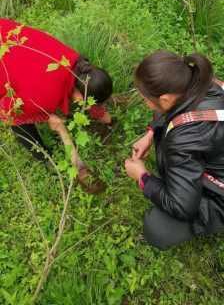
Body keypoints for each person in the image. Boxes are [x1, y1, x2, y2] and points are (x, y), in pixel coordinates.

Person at [125, 50, 224, 250]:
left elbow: (182, 206)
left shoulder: (185, 139)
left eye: (146, 98)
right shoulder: (203, 81)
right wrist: (151, 133)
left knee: (158, 228)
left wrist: (143, 178)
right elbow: (176, 109)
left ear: (166, 98)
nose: (146, 103)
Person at [0, 18, 113, 182]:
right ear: (81, 97)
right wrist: (46, 117)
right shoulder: (47, 96)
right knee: (19, 120)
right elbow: (7, 112)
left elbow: (88, 95)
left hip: (6, 34)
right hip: (6, 57)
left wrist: (106, 118)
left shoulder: (74, 61)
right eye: (92, 104)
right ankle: (44, 158)